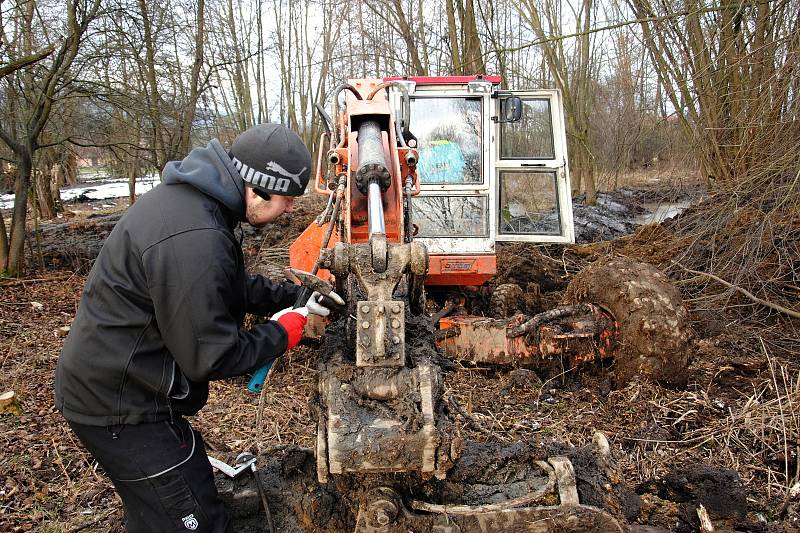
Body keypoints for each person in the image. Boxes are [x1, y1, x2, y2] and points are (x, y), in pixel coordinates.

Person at [55, 124, 342, 532]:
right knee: (194, 518)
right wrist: (285, 331)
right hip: (121, 406)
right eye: (288, 200)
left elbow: (228, 283)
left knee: (157, 513)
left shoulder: (195, 205)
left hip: (120, 384)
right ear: (257, 190)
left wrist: (291, 299)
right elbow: (213, 354)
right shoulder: (197, 235)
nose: (292, 210)